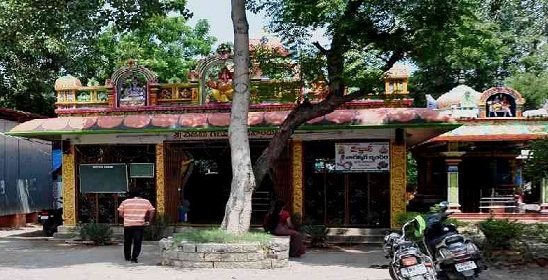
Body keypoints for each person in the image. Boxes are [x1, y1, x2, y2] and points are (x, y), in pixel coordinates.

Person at [117, 190, 155, 263]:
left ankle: (127, 257)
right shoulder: (146, 202)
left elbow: (120, 214)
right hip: (139, 225)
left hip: (128, 225)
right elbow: (152, 211)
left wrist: (128, 217)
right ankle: (134, 258)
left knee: (127, 241)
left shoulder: (125, 202)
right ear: (140, 195)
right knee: (137, 242)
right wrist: (149, 222)